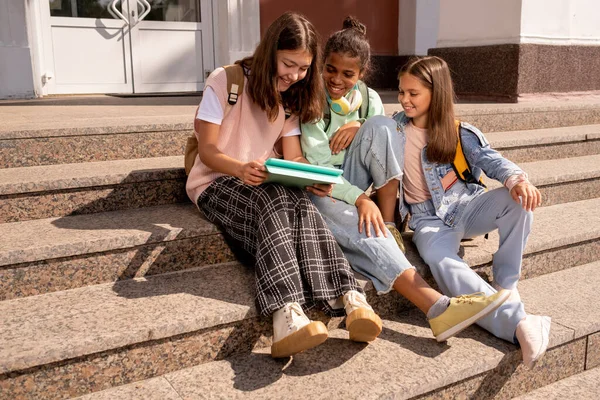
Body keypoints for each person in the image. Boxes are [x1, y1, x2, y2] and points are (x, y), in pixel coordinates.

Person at [186, 12, 384, 359]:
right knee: (274, 202)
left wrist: (316, 180)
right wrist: (240, 167)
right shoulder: (226, 80)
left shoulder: (289, 100)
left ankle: (352, 299)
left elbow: (293, 158)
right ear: (270, 52)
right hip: (216, 182)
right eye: (289, 64)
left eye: (304, 68)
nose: (295, 76)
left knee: (300, 202)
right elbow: (207, 150)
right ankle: (286, 314)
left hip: (261, 183)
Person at [301, 17, 510, 344]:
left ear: (363, 72)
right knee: (363, 227)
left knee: (382, 127)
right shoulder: (310, 98)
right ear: (321, 64)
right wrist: (360, 199)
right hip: (321, 186)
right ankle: (437, 307)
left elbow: (384, 141)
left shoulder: (369, 98)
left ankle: (390, 223)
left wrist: (362, 126)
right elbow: (318, 171)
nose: (336, 80)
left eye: (347, 74)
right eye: (330, 69)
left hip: (354, 180)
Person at [365, 55, 550, 368]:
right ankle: (520, 324)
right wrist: (358, 125)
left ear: (435, 94)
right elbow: (374, 133)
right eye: (401, 92)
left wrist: (517, 179)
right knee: (441, 261)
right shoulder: (393, 129)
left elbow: (493, 161)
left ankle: (507, 285)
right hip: (427, 220)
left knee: (517, 200)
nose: (404, 100)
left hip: (468, 206)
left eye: (413, 93)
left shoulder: (458, 131)